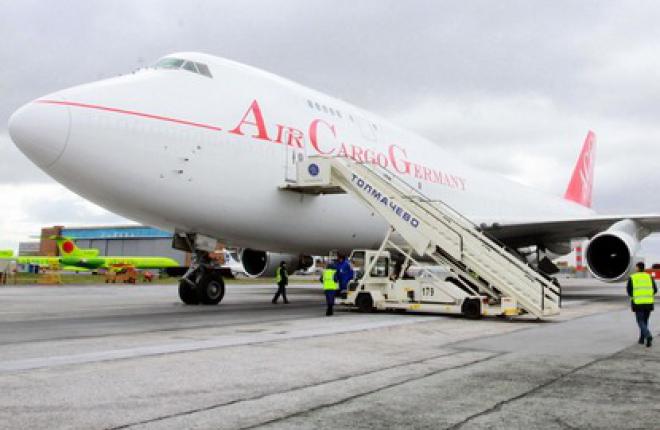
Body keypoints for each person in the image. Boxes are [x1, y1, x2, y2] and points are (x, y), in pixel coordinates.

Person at [627, 262, 657, 347]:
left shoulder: (632, 277)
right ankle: (641, 339)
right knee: (645, 321)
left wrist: (635, 296)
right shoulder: (649, 277)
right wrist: (648, 295)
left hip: (638, 302)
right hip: (648, 302)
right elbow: (655, 290)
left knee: (640, 321)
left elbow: (629, 291)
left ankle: (648, 335)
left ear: (637, 268)